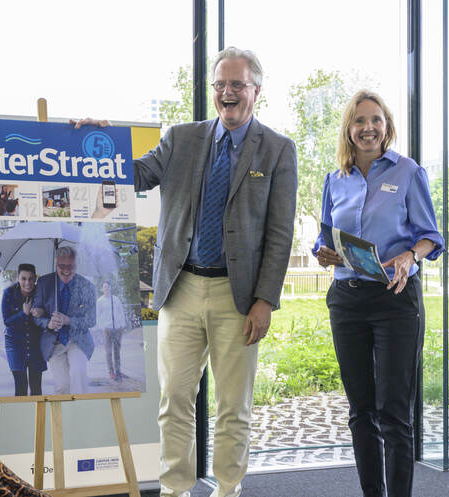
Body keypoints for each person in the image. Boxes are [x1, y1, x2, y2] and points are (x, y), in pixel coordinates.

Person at [74, 47, 297, 497]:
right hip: (181, 288)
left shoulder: (276, 149)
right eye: (220, 85)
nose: (227, 93)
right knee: (174, 400)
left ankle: (227, 488)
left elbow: (279, 234)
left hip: (240, 297)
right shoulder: (183, 138)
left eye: (237, 85)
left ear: (256, 90)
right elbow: (135, 176)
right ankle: (176, 490)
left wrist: (265, 301)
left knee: (233, 406)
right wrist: (102, 143)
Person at [313, 90, 443, 497]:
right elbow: (323, 237)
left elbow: (431, 237)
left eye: (376, 120)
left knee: (394, 414)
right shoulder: (335, 180)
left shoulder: (407, 172)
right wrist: (322, 253)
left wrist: (409, 255)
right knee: (361, 412)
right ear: (349, 130)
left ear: (387, 126)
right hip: (347, 300)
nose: (368, 127)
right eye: (359, 121)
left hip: (395, 299)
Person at [31, 246, 96, 395]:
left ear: (76, 265)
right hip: (54, 344)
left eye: (71, 266)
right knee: (62, 386)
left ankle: (81, 412)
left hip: (77, 341)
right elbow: (35, 316)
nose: (66, 270)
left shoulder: (87, 286)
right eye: (62, 266)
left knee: (78, 374)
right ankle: (61, 416)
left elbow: (92, 319)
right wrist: (48, 323)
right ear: (56, 264)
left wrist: (69, 321)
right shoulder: (44, 283)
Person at [1, 264, 47, 395]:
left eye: (31, 279)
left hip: (36, 342)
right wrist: (23, 313)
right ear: (18, 278)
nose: (27, 283)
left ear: (35, 279)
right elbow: (7, 321)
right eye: (23, 278)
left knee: (36, 387)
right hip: (15, 343)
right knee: (21, 386)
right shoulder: (8, 293)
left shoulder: (40, 292)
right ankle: (21, 414)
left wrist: (42, 311)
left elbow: (50, 314)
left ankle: (38, 415)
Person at [96, 280, 127, 381]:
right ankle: (111, 372)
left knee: (117, 351)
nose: (106, 289)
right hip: (106, 329)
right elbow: (97, 315)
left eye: (107, 287)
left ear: (110, 288)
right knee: (108, 352)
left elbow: (121, 312)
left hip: (118, 328)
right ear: (102, 289)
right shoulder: (100, 301)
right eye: (104, 287)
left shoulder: (116, 299)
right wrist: (100, 327)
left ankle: (118, 370)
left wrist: (123, 325)